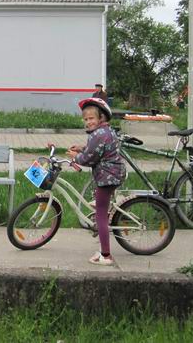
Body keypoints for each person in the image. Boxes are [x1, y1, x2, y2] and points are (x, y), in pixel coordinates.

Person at [66, 97, 126, 266]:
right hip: (113, 174)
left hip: (108, 177)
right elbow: (98, 151)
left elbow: (88, 159)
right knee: (101, 204)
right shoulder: (105, 131)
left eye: (91, 118)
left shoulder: (98, 134)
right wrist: (82, 148)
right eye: (85, 119)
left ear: (102, 118)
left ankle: (106, 256)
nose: (88, 122)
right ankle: (101, 205)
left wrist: (76, 156)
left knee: (100, 215)